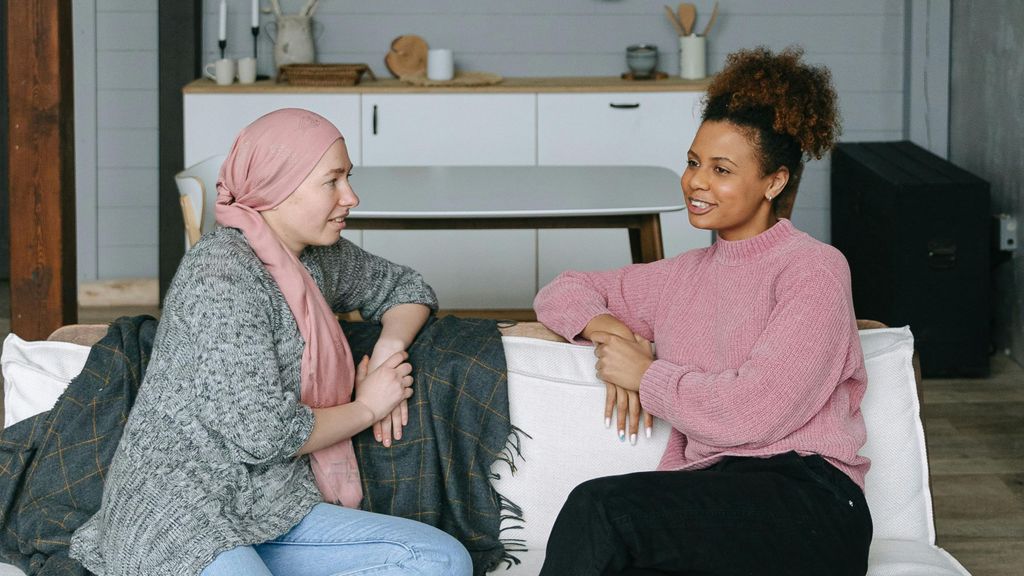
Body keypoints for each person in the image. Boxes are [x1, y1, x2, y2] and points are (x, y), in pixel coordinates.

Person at [70, 108, 473, 576]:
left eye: (349, 178)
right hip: (178, 509)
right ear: (278, 187)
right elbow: (262, 434)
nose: (352, 197)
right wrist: (368, 406)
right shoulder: (220, 273)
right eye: (333, 181)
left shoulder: (319, 259)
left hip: (273, 506)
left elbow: (407, 288)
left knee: (439, 559)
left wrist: (389, 349)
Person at [532, 47, 872, 575]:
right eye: (693, 162)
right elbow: (561, 290)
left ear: (774, 182)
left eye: (721, 169)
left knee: (600, 509)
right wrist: (607, 331)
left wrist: (646, 375)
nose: (696, 182)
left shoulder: (814, 270)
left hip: (811, 501)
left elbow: (752, 414)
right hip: (712, 499)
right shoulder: (679, 276)